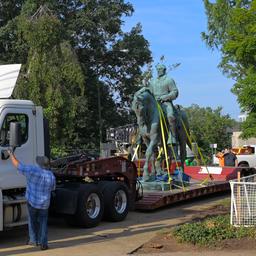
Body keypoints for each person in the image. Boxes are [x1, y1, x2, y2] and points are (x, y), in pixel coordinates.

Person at [8, 150, 56, 250]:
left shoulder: (33, 170)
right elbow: (52, 188)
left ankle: (33, 241)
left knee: (32, 221)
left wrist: (11, 154)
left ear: (39, 164)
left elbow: (19, 166)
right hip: (45, 204)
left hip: (33, 202)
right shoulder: (51, 176)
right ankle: (44, 243)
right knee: (43, 223)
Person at [148, 64, 179, 145]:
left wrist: (164, 97)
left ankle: (172, 136)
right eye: (157, 69)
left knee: (170, 116)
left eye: (160, 69)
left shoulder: (169, 80)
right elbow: (149, 93)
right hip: (154, 104)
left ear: (164, 70)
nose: (158, 71)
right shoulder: (152, 81)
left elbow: (175, 92)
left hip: (165, 103)